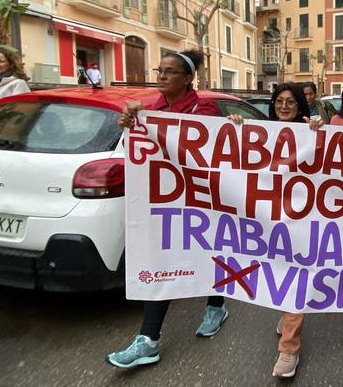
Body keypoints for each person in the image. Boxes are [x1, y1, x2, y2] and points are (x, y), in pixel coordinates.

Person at [106, 50, 229, 369]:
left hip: (205, 200)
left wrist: (144, 113)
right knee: (163, 261)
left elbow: (206, 143)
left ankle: (216, 305)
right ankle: (149, 339)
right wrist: (131, 124)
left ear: (188, 80)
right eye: (159, 70)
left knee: (211, 254)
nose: (161, 76)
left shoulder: (204, 107)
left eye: (170, 72)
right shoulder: (154, 108)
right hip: (170, 203)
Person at [226, 83, 326, 378]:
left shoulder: (311, 131)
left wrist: (320, 132)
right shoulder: (261, 133)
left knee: (297, 276)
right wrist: (235, 129)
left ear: (300, 106)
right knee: (277, 272)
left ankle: (289, 348)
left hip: (304, 218)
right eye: (279, 101)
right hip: (268, 219)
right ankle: (287, 315)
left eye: (291, 102)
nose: (284, 106)